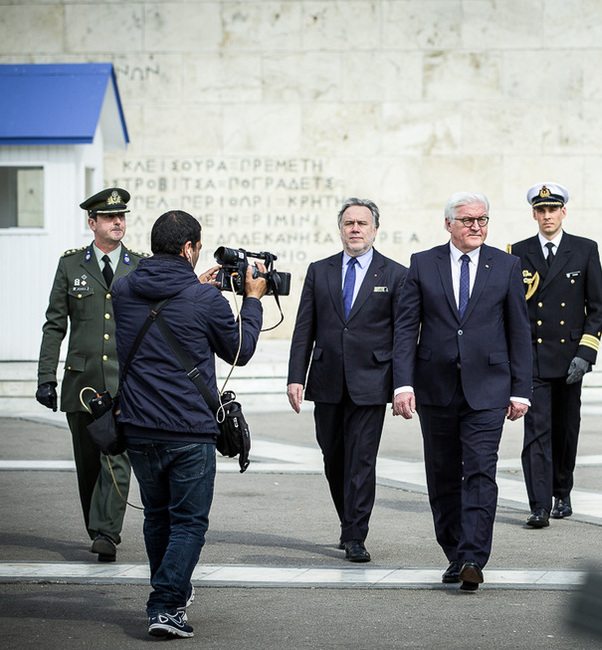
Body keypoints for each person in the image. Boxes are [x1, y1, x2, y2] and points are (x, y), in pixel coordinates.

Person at [112, 210, 267, 638]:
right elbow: (240, 350)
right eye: (197, 248)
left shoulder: (123, 288)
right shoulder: (204, 300)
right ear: (188, 248)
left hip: (139, 429)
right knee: (189, 522)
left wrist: (194, 286)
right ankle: (165, 607)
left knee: (157, 518)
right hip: (188, 432)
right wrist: (252, 298)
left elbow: (164, 306)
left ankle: (170, 593)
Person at [392, 191, 532, 591]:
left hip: (488, 389)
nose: (476, 227)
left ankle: (473, 556)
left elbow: (518, 330)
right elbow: (406, 328)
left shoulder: (506, 266)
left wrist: (521, 389)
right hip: (435, 388)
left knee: (481, 473)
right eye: (468, 220)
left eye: (482, 220)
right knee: (442, 476)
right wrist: (403, 383)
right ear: (449, 224)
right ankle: (454, 551)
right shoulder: (423, 264)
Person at [287, 198, 407, 563]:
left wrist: (403, 385)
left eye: (362, 223)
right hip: (326, 380)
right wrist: (296, 377)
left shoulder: (395, 274)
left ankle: (356, 534)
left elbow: (403, 335)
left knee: (361, 460)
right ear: (340, 228)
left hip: (371, 381)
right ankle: (347, 521)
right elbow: (303, 328)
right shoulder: (319, 270)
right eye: (349, 223)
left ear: (374, 230)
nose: (355, 229)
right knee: (333, 457)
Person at [35, 187, 147, 562]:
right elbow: (54, 325)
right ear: (92, 223)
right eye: (110, 217)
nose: (119, 222)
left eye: (122, 216)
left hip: (125, 384)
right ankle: (96, 525)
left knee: (116, 456)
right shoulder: (71, 265)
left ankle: (107, 532)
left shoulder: (139, 265)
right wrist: (45, 377)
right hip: (81, 381)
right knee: (87, 463)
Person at [509, 183, 602, 528]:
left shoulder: (584, 250)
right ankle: (539, 504)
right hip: (533, 358)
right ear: (534, 214)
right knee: (536, 432)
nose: (547, 216)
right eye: (541, 211)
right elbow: (513, 310)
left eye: (553, 210)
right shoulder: (517, 252)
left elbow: (596, 308)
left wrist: (585, 354)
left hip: (569, 360)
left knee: (565, 430)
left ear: (564, 212)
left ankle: (561, 491)